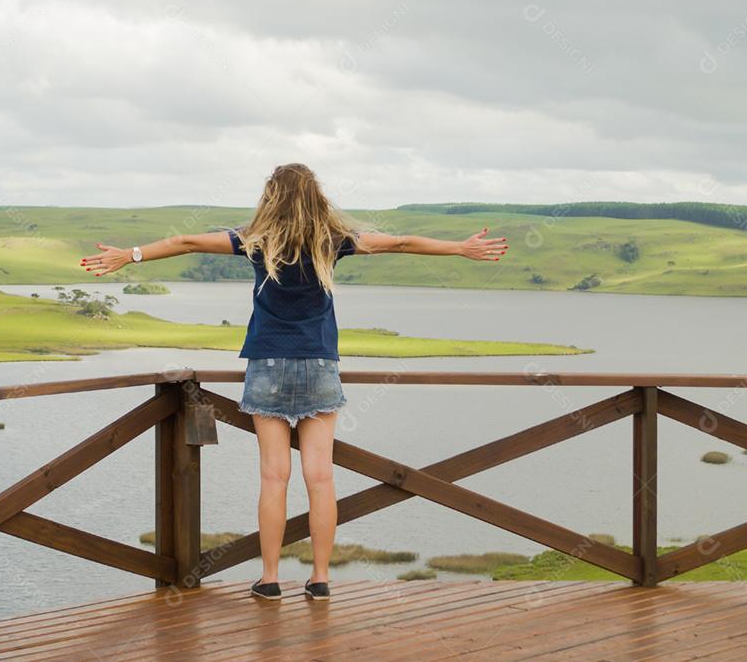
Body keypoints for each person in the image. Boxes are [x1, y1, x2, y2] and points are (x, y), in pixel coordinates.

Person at [80, 163, 508, 601]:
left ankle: (269, 580)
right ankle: (320, 579)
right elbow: (401, 242)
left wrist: (129, 255)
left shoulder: (255, 240)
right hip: (319, 365)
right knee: (320, 479)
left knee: (273, 479)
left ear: (271, 198)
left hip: (267, 366)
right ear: (316, 197)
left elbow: (185, 241)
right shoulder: (332, 241)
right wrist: (460, 249)